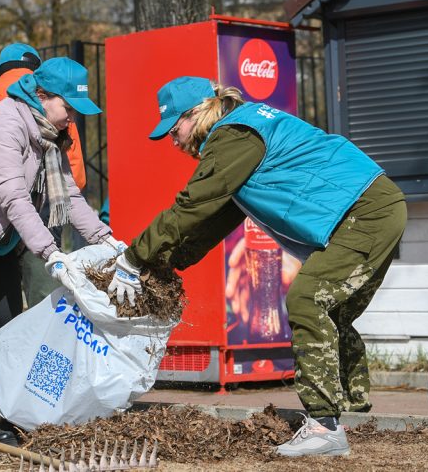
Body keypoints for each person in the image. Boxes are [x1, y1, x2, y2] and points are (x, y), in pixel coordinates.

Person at [107, 76, 407, 457]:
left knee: (308, 301)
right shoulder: (243, 130)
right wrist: (166, 264)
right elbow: (214, 219)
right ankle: (353, 415)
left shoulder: (234, 135)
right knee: (333, 312)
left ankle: (324, 428)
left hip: (365, 213)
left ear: (196, 114)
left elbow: (192, 205)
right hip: (378, 204)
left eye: (174, 127)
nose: (173, 139)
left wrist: (133, 258)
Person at [0, 57, 125, 445]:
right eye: (69, 108)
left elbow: (70, 195)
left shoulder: (48, 135)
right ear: (43, 96)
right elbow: (13, 197)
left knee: (9, 323)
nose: (73, 118)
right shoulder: (5, 124)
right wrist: (51, 253)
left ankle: (4, 407)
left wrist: (107, 240)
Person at [0, 42, 89, 306]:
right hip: (44, 215)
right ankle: (43, 346)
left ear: (0, 71)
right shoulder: (60, 107)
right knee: (46, 299)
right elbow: (76, 176)